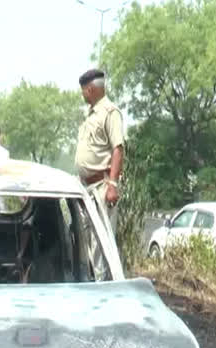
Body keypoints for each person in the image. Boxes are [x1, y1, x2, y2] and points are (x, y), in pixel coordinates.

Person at [74, 69, 124, 281]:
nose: (83, 95)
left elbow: (118, 149)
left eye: (84, 91)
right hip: (86, 188)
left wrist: (112, 184)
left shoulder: (110, 112)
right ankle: (94, 281)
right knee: (88, 239)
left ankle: (103, 287)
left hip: (102, 186)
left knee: (101, 242)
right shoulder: (91, 114)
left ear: (91, 89)